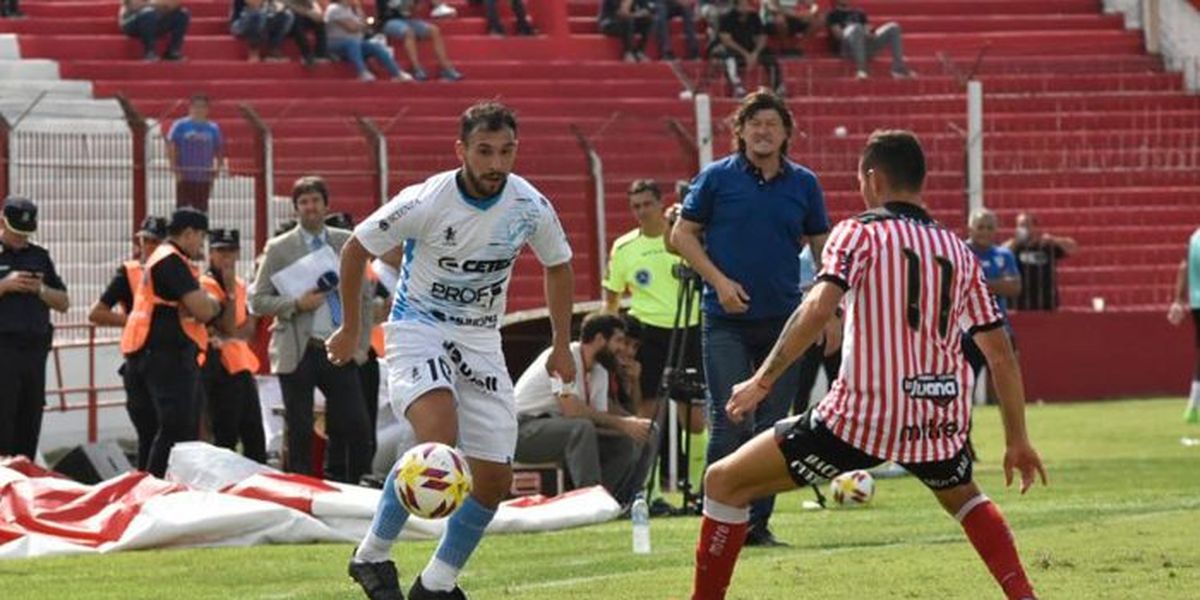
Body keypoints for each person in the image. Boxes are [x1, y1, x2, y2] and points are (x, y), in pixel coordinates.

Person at [690, 130, 1048, 600]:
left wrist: (762, 380)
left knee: (723, 482)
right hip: (936, 414)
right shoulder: (959, 251)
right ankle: (1024, 594)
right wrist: (1017, 439)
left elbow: (818, 308)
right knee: (964, 496)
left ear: (873, 179)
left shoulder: (859, 232)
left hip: (862, 417)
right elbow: (1000, 352)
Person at [327, 101, 576, 600]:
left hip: (481, 339)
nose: (496, 164)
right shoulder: (425, 200)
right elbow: (357, 247)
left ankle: (436, 585)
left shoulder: (529, 206)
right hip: (419, 328)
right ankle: (372, 555)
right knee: (439, 441)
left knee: (493, 478)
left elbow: (559, 265)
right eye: (484, 151)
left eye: (506, 152)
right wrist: (352, 328)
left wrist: (560, 343)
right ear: (461, 150)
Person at [670, 89, 831, 547]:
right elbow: (683, 235)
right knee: (730, 420)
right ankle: (717, 524)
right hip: (725, 320)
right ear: (739, 130)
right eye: (754, 123)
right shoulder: (715, 179)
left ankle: (756, 526)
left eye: (772, 124)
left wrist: (831, 309)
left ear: (786, 135)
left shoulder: (805, 184)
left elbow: (824, 248)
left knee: (774, 429)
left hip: (786, 323)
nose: (763, 131)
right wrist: (719, 282)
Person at [249, 176, 375, 483]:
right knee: (300, 424)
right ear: (296, 209)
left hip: (336, 344)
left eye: (315, 200)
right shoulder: (279, 248)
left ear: (326, 204)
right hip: (298, 346)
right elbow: (256, 300)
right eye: (303, 202)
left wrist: (359, 346)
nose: (310, 207)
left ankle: (353, 484)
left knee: (354, 423)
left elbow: (365, 297)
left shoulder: (345, 241)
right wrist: (295, 303)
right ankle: (303, 486)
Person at [604, 179, 704, 487]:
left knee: (696, 420)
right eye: (635, 206)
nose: (642, 211)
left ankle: (698, 485)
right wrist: (613, 344)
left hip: (689, 328)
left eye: (647, 204)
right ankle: (645, 486)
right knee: (647, 414)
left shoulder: (683, 237)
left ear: (661, 203)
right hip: (647, 333)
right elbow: (612, 298)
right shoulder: (624, 247)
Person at [120, 208, 230, 477]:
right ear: (189, 233)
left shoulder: (162, 259)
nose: (200, 245)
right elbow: (203, 310)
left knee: (160, 431)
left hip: (149, 353)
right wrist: (214, 303)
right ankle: (158, 488)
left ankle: (151, 487)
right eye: (200, 237)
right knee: (177, 428)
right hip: (166, 357)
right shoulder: (171, 261)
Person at [513, 312, 653, 505]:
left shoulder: (599, 369)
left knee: (628, 440)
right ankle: (588, 503)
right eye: (619, 341)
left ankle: (621, 502)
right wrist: (623, 424)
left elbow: (602, 415)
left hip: (555, 428)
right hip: (522, 432)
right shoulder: (561, 359)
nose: (622, 349)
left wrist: (635, 426)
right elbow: (571, 409)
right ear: (599, 339)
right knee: (581, 428)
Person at [88, 215, 168, 469]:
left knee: (174, 431)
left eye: (155, 241)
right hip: (141, 360)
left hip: (173, 360)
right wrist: (134, 322)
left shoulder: (178, 270)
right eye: (146, 240)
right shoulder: (130, 273)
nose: (149, 246)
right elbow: (96, 313)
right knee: (148, 432)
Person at [0, 197, 70, 460]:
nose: (21, 239)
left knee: (29, 421)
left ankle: (24, 489)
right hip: (3, 350)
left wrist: (40, 289)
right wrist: (5, 285)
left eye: (25, 234)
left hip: (34, 351)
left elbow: (63, 302)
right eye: (16, 232)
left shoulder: (39, 256)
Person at [199, 228, 267, 463]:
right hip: (219, 369)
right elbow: (228, 327)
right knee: (225, 435)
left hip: (241, 365)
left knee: (254, 435)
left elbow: (248, 330)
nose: (226, 257)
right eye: (220, 251)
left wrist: (230, 333)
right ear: (211, 254)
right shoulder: (205, 285)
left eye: (230, 251)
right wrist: (228, 294)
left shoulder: (238, 285)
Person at [962, 208, 1021, 400]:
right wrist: (997, 284)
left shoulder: (1004, 255)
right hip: (966, 331)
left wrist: (976, 283)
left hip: (999, 327)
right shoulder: (961, 251)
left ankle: (1010, 428)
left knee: (1006, 385)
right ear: (970, 228)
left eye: (989, 227)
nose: (985, 232)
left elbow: (1014, 288)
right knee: (963, 386)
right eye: (980, 227)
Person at [1004, 212, 1076, 312]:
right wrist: (1015, 242)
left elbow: (1073, 248)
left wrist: (1054, 240)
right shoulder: (1014, 247)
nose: (1024, 229)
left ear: (1035, 227)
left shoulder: (1046, 245)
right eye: (1020, 226)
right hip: (1019, 304)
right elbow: (1000, 255)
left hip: (1046, 304)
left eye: (1027, 225)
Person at [376, 0, 464, 81]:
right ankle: (416, 68)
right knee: (408, 32)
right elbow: (387, 10)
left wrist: (414, 5)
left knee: (434, 30)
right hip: (388, 21)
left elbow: (412, 12)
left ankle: (446, 68)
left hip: (408, 20)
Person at [825, 0, 913, 80]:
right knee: (856, 27)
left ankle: (898, 68)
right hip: (847, 50)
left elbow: (868, 30)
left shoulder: (859, 13)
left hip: (865, 46)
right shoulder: (833, 14)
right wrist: (857, 31)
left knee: (894, 27)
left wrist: (869, 33)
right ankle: (862, 70)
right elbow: (839, 36)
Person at [325, 0, 411, 81]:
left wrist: (358, 9)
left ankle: (397, 73)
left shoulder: (349, 9)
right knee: (352, 43)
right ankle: (362, 72)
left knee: (375, 46)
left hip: (355, 42)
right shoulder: (334, 9)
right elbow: (352, 28)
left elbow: (364, 25)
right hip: (336, 43)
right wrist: (363, 25)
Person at [167, 94, 225, 213]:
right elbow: (172, 146)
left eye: (203, 107)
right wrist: (175, 168)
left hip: (204, 176)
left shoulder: (213, 128)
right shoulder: (180, 125)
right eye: (196, 106)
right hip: (185, 175)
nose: (199, 110)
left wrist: (218, 168)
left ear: (208, 109)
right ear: (190, 108)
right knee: (183, 211)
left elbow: (219, 149)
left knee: (201, 210)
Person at [716, 0, 783, 97]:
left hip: (751, 48)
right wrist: (746, 54)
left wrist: (755, 53)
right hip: (735, 48)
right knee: (729, 58)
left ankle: (777, 86)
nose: (746, 6)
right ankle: (737, 87)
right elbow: (726, 40)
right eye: (743, 4)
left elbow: (762, 37)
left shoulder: (753, 16)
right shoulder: (727, 18)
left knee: (769, 55)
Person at [1168, 226, 1200, 424]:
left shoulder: (1195, 237)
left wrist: (1179, 299)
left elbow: (1183, 267)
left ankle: (1193, 406)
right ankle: (1193, 406)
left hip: (1196, 302)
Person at [119, 0, 190, 62]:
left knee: (182, 13)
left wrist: (154, 5)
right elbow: (134, 5)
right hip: (131, 22)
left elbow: (174, 4)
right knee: (149, 13)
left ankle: (173, 51)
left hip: (155, 21)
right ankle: (149, 52)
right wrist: (159, 5)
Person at [283, 0, 331, 66]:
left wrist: (318, 14)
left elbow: (313, 3)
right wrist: (308, 13)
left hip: (302, 17)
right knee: (296, 22)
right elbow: (289, 5)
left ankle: (321, 53)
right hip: (285, 23)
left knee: (320, 22)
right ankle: (307, 54)